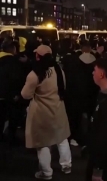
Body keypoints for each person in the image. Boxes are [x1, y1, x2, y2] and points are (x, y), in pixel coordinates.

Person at [21, 45, 72, 180]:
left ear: (38, 56)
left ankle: (46, 172)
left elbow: (25, 94)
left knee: (42, 143)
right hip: (58, 108)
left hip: (41, 112)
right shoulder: (59, 70)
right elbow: (63, 87)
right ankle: (67, 165)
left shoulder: (35, 74)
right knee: (61, 138)